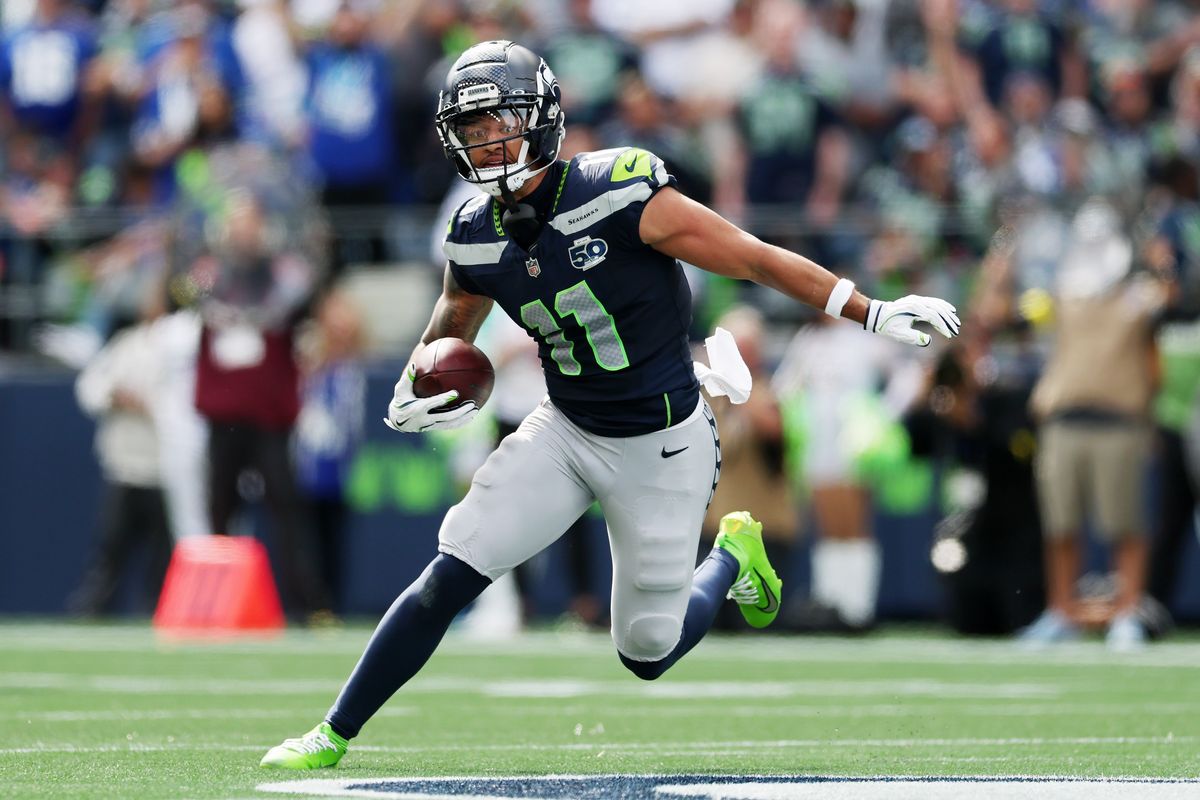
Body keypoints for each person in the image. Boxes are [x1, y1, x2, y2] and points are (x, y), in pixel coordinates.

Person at [260, 40, 958, 769]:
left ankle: (730, 556)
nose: (485, 142)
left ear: (541, 120)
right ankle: (332, 733)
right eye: (469, 131)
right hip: (565, 429)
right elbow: (450, 329)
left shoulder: (619, 190)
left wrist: (870, 309)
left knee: (647, 652)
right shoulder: (472, 233)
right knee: (453, 568)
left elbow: (750, 254)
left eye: (497, 121)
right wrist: (418, 384)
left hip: (662, 441)